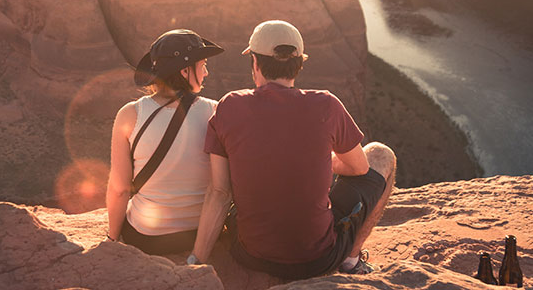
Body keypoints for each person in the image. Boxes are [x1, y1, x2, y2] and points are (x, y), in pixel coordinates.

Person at [188, 20, 396, 278]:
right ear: (299, 64)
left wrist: (196, 263)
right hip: (317, 259)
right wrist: (322, 160)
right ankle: (351, 261)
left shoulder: (229, 106)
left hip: (249, 254)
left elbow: (219, 191)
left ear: (255, 62)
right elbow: (360, 168)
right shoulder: (327, 105)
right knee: (381, 154)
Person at [105, 29, 224, 254]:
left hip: (146, 237)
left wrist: (112, 239)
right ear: (185, 70)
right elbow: (222, 187)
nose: (206, 72)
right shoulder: (216, 111)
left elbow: (120, 189)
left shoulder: (130, 114)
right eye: (203, 65)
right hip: (198, 234)